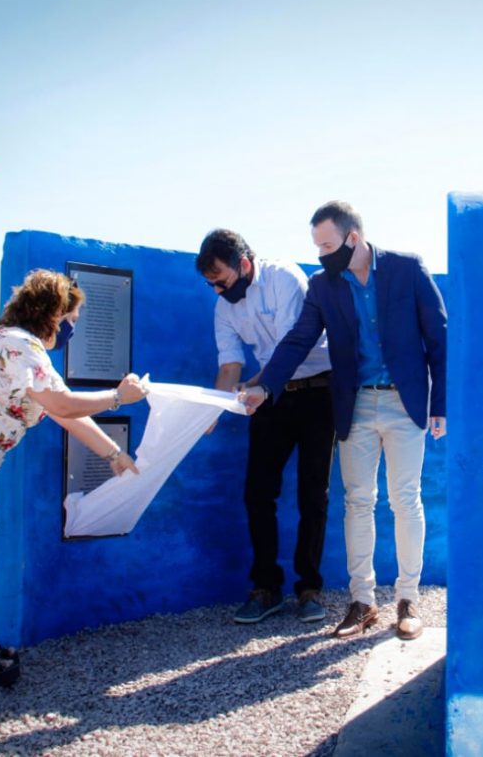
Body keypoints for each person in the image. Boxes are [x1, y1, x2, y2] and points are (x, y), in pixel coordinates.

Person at [0, 269, 147, 691]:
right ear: (53, 313)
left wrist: (113, 454)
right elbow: (63, 401)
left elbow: (62, 413)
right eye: (72, 320)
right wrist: (120, 396)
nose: (72, 330)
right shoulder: (21, 346)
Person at [240, 201, 446, 641]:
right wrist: (266, 386)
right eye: (316, 246)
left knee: (405, 500)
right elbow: (298, 340)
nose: (321, 255)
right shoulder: (322, 286)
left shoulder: (408, 269)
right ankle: (363, 602)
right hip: (353, 407)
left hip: (405, 403)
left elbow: (438, 336)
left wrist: (439, 404)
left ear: (353, 238)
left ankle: (407, 600)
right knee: (358, 502)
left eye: (327, 245)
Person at [196, 229, 335, 624]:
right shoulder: (224, 307)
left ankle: (309, 589)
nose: (217, 290)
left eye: (220, 280)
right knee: (258, 492)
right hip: (268, 398)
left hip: (317, 392)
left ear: (243, 263)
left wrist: (256, 385)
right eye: (210, 284)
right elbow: (229, 366)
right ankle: (265, 588)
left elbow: (294, 345)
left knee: (314, 494)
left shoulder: (283, 277)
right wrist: (215, 408)